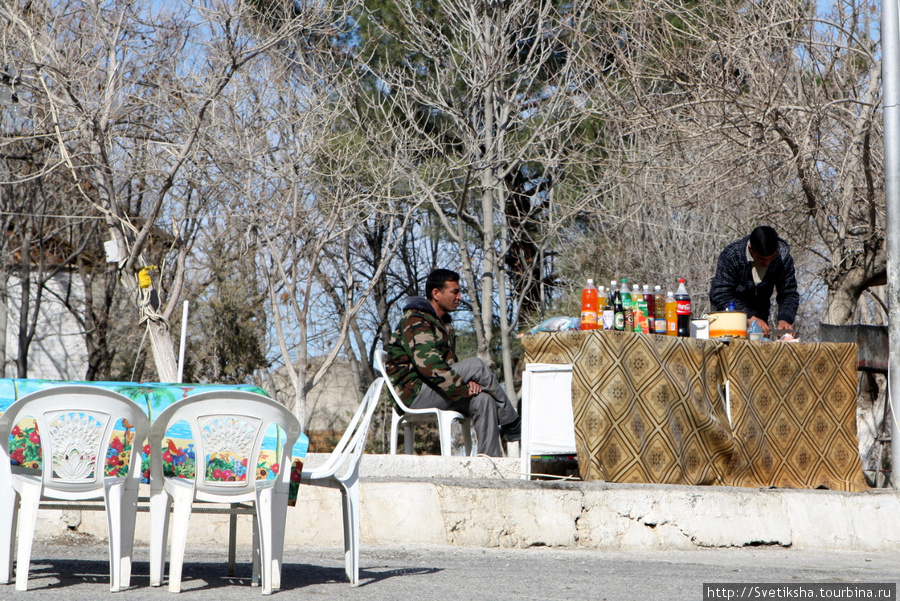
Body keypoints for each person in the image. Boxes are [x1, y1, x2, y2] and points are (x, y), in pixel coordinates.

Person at [384, 269, 521, 457]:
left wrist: (467, 383)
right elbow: (431, 368)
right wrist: (463, 388)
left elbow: (449, 366)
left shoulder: (443, 324)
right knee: (476, 365)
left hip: (434, 389)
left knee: (484, 400)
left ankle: (490, 463)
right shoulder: (416, 320)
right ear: (436, 294)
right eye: (454, 292)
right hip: (413, 394)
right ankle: (512, 421)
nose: (459, 297)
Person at [709, 225, 800, 337]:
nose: (767, 263)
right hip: (727, 323)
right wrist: (748, 317)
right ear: (751, 248)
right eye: (761, 259)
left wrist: (784, 318)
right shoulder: (731, 255)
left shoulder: (783, 258)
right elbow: (721, 294)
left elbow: (788, 294)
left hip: (761, 321)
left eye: (772, 258)